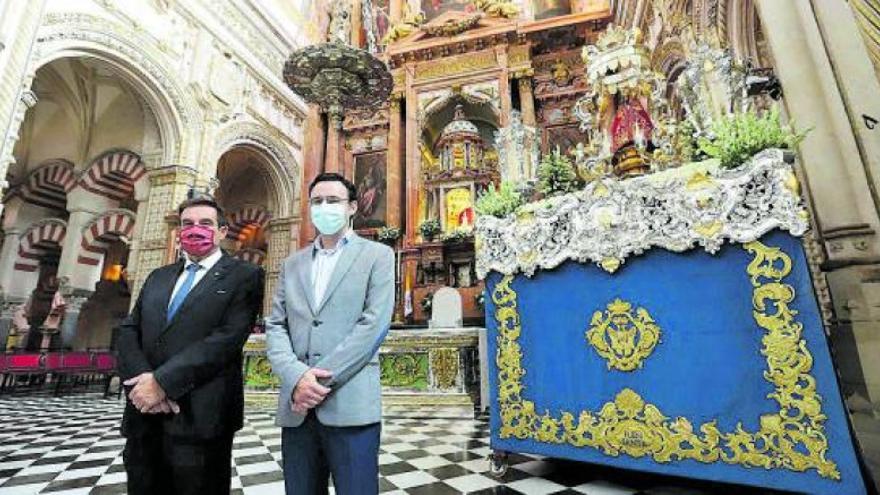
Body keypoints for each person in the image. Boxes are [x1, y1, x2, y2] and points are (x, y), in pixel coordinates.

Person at [117, 195, 265, 495]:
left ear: (222, 231)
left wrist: (162, 382)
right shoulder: (158, 276)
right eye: (187, 224)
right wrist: (143, 382)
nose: (195, 230)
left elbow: (226, 340)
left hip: (201, 417)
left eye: (205, 223)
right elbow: (130, 329)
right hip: (144, 412)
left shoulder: (245, 275)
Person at [266, 172, 394, 495]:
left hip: (350, 405)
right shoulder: (291, 265)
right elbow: (276, 325)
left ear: (352, 207)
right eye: (317, 201)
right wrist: (297, 378)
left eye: (333, 201)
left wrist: (316, 382)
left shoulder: (378, 256)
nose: (324, 207)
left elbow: (373, 325)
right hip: (297, 408)